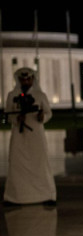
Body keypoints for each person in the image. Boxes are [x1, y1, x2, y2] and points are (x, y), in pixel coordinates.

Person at [3, 67, 57, 206]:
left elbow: (48, 113)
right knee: (17, 163)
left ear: (33, 79)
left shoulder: (40, 95)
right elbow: (8, 115)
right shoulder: (12, 95)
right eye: (23, 79)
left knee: (40, 162)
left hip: (36, 134)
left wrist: (42, 116)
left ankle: (46, 195)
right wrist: (16, 119)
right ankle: (16, 197)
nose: (26, 82)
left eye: (28, 79)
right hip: (19, 135)